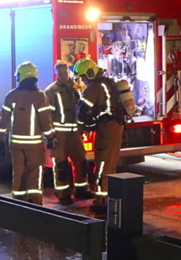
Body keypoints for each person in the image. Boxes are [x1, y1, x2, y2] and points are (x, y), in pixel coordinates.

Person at [0, 62, 56, 205]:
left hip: (16, 145)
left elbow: (3, 120)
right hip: (34, 145)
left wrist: (0, 139)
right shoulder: (40, 96)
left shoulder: (11, 95)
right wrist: (51, 138)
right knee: (35, 175)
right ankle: (34, 205)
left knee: (18, 174)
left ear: (21, 76)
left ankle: (18, 204)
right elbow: (45, 121)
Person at [75, 58, 125, 207]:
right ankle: (109, 198)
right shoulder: (107, 83)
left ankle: (102, 202)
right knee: (110, 164)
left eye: (83, 77)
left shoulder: (95, 87)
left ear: (90, 73)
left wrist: (81, 126)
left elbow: (82, 110)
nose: (83, 80)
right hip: (114, 127)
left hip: (107, 129)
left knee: (103, 164)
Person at [45, 61, 88, 204]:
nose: (63, 75)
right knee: (61, 165)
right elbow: (48, 116)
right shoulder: (51, 91)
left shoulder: (77, 87)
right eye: (60, 73)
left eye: (65, 72)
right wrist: (51, 136)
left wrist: (83, 127)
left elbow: (84, 106)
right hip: (60, 134)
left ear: (68, 72)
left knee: (81, 161)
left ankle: (82, 189)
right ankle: (63, 194)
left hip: (75, 132)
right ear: (56, 74)